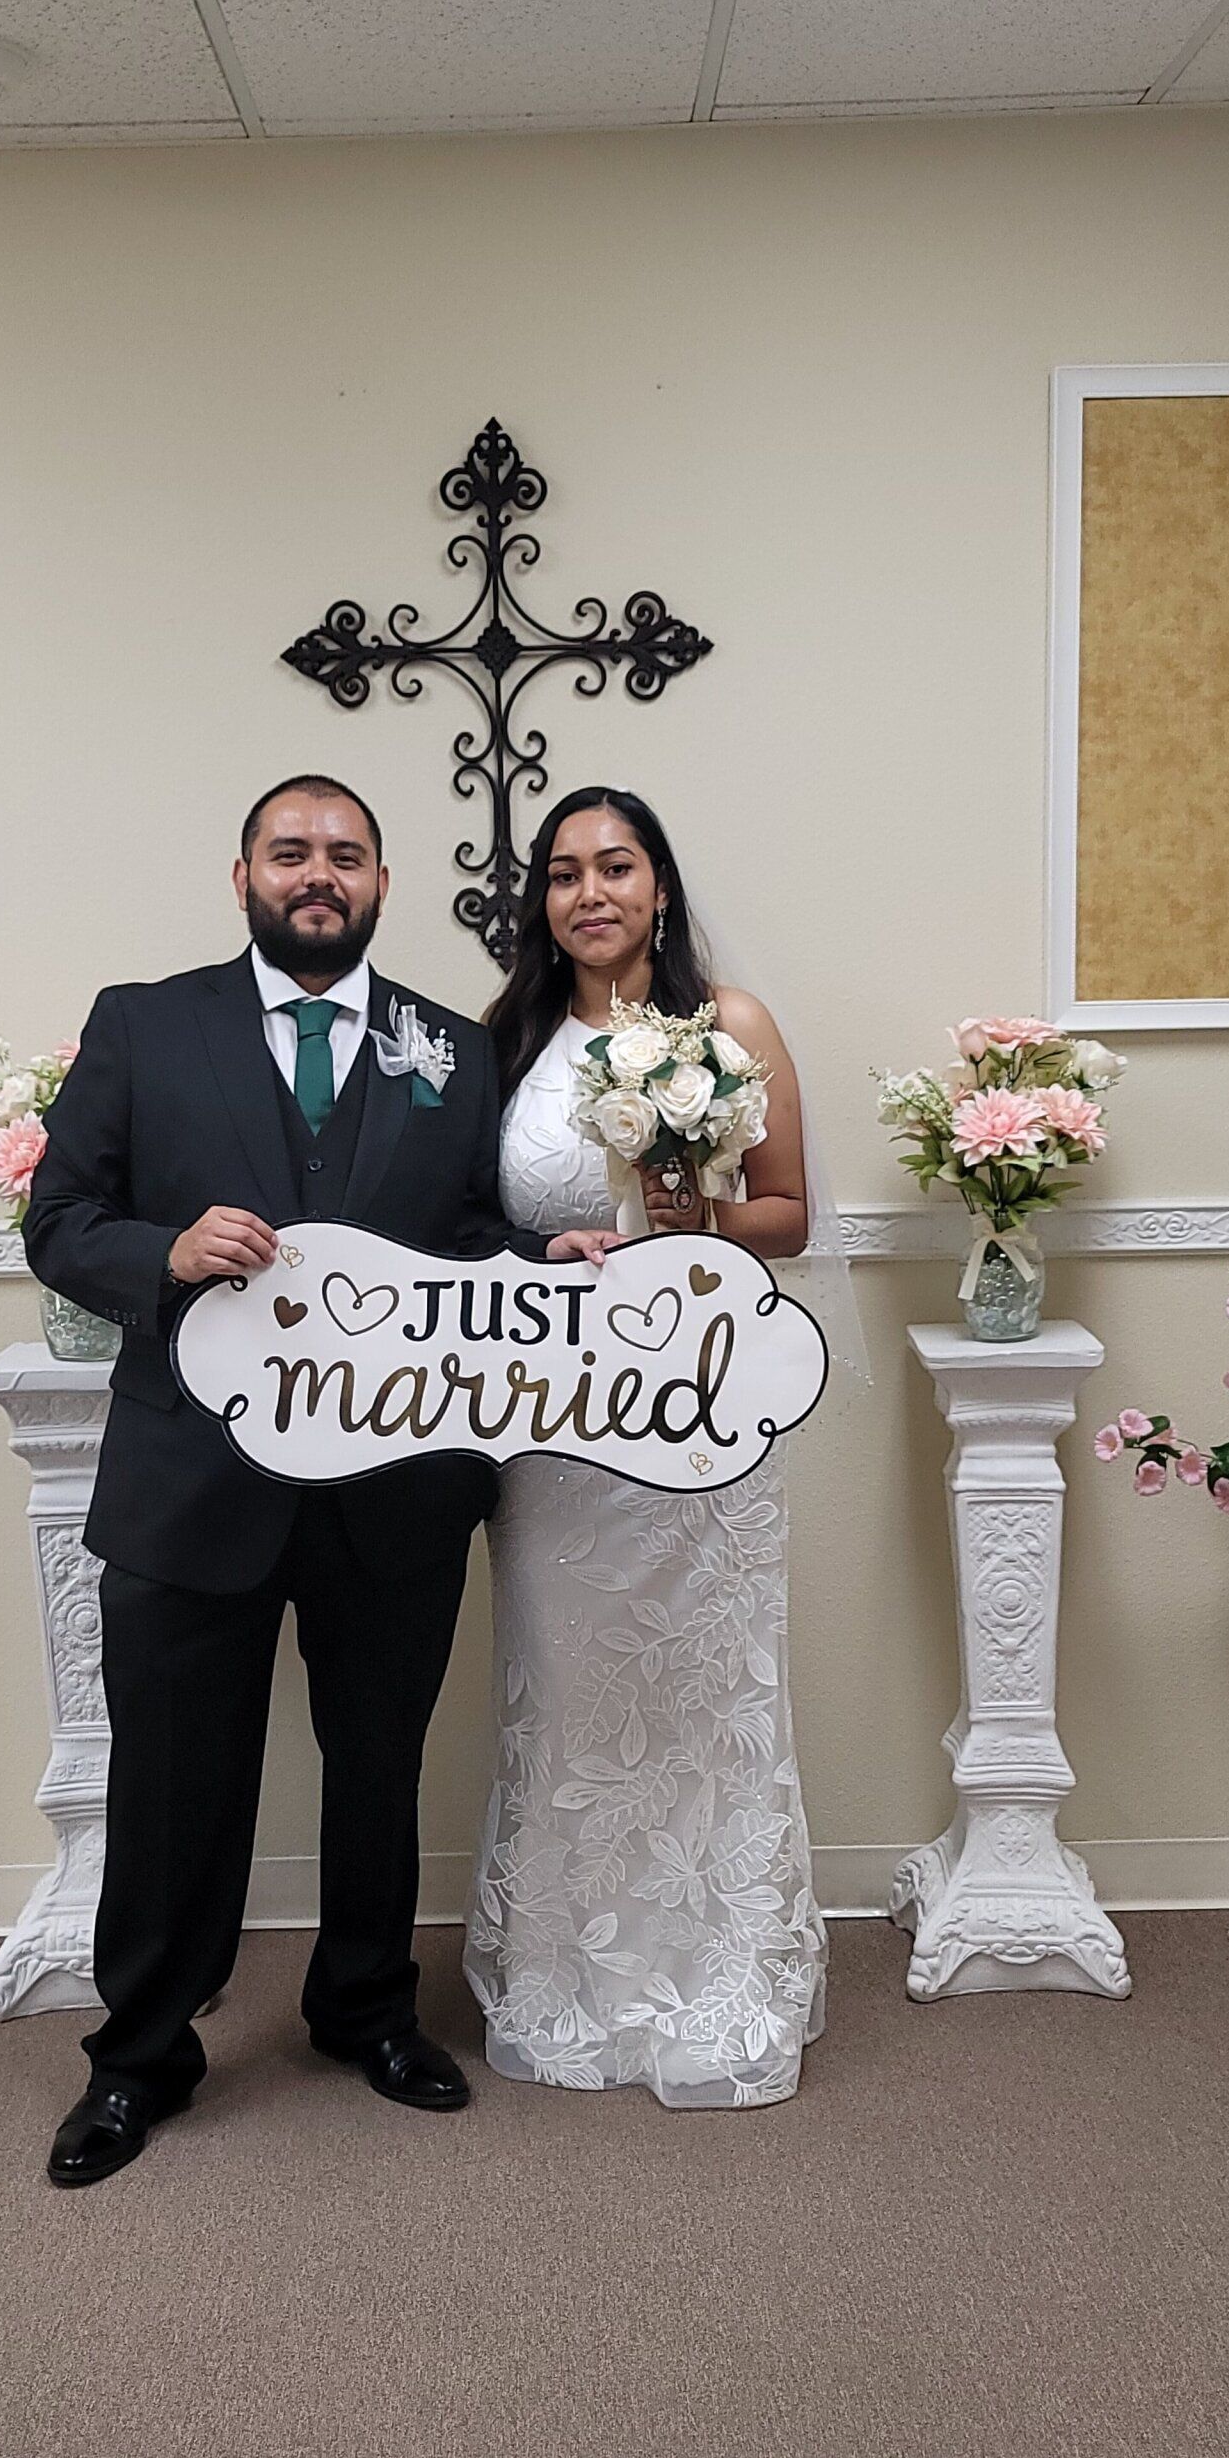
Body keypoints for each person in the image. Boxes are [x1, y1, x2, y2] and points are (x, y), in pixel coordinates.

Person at [24, 775, 618, 2188]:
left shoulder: (450, 1046)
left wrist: (539, 1262)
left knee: (377, 1765)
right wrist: (166, 1255)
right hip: (192, 1477)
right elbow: (60, 1220)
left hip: (396, 1480)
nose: (317, 875)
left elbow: (465, 1237)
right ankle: (140, 2055)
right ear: (242, 876)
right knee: (172, 1780)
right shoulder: (142, 1023)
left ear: (380, 885)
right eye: (290, 852)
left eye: (345, 855)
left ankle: (366, 2010)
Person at [464, 787, 828, 2107]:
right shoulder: (507, 1040)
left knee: (703, 1690)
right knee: (569, 1692)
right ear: (542, 903)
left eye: (615, 867)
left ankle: (722, 1970)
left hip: (699, 1410)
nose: (590, 894)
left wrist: (687, 1225)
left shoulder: (730, 1026)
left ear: (659, 887)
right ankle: (571, 1973)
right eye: (564, 874)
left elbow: (789, 1213)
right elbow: (472, 1220)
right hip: (556, 1432)